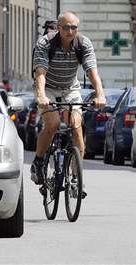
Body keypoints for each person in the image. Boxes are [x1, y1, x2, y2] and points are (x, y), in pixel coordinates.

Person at [31, 11, 106, 197]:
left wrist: (100, 95)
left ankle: (76, 177)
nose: (70, 31)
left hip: (70, 88)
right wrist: (41, 95)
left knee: (76, 125)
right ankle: (38, 162)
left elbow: (92, 72)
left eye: (74, 27)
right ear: (58, 27)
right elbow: (40, 73)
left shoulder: (83, 44)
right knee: (53, 124)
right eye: (66, 27)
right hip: (47, 88)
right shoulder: (45, 43)